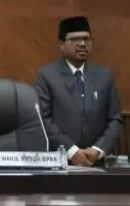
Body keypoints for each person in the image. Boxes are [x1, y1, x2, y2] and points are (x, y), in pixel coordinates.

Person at [34, 16, 122, 167]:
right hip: (60, 163)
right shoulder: (47, 76)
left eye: (86, 39)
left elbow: (115, 119)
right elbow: (44, 120)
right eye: (75, 39)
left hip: (96, 163)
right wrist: (72, 151)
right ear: (61, 44)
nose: (82, 44)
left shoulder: (104, 76)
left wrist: (97, 150)